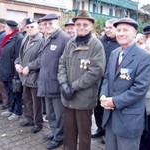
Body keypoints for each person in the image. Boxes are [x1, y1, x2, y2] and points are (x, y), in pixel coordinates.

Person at [100, 18, 150, 150]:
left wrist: (114, 101)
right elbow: (107, 78)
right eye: (118, 30)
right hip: (111, 116)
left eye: (125, 30)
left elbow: (140, 89)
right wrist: (103, 95)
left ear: (135, 33)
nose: (121, 33)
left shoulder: (144, 57)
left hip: (129, 119)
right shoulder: (114, 53)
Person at [58, 10, 106, 150]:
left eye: (85, 24)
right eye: (78, 24)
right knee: (69, 133)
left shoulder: (96, 45)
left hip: (84, 99)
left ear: (91, 26)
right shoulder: (70, 43)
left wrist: (73, 87)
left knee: (84, 136)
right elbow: (61, 64)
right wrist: (63, 83)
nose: (81, 27)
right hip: (68, 97)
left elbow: (95, 72)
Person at [37, 13, 70, 149]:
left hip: (56, 85)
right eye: (45, 24)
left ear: (57, 23)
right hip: (46, 83)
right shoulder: (48, 37)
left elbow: (67, 64)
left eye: (51, 23)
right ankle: (54, 132)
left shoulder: (64, 39)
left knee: (59, 114)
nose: (48, 26)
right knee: (50, 113)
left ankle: (60, 137)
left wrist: (63, 82)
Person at [92, 18, 120, 140]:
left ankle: (109, 133)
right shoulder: (100, 41)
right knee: (97, 106)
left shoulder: (120, 43)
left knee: (108, 107)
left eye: (111, 27)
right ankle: (100, 128)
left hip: (111, 81)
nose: (108, 30)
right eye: (106, 27)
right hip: (97, 79)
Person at [15, 18, 44, 133]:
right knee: (26, 99)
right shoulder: (25, 38)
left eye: (32, 26)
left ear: (37, 27)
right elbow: (20, 56)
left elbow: (42, 59)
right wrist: (17, 64)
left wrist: (29, 67)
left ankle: (38, 123)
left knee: (36, 102)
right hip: (24, 76)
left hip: (35, 76)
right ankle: (29, 119)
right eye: (28, 27)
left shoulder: (41, 40)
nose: (30, 29)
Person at [0, 20, 24, 121]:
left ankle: (17, 112)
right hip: (5, 69)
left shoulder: (18, 38)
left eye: (6, 27)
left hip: (12, 71)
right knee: (9, 92)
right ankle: (11, 109)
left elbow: (18, 57)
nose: (4, 28)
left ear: (10, 28)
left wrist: (16, 74)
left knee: (16, 92)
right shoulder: (8, 37)